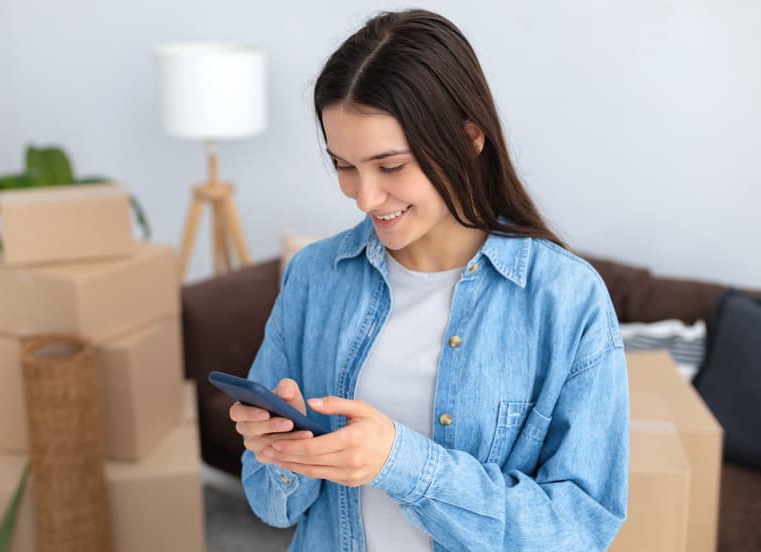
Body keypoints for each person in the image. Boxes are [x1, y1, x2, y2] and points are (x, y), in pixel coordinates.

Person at [229, 8, 629, 551]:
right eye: (344, 164)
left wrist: (400, 461)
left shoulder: (565, 299)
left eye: (390, 166)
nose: (364, 197)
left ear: (468, 138)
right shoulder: (315, 277)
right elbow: (273, 508)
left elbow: (580, 530)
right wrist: (279, 454)